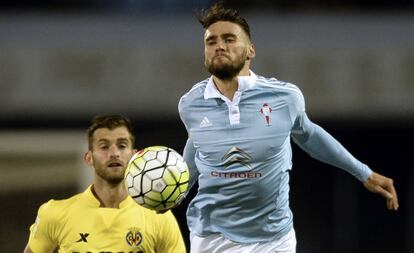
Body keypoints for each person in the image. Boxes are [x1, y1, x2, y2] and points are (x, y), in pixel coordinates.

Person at [178, 3, 399, 253]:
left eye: (229, 39)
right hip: (212, 238)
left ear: (251, 50)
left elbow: (310, 135)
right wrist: (169, 191)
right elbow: (197, 150)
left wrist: (363, 173)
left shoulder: (283, 97)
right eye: (211, 41)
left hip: (273, 239)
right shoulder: (190, 104)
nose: (220, 46)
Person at [23, 115, 187, 253]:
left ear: (134, 155)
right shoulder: (55, 213)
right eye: (104, 146)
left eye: (122, 145)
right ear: (89, 158)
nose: (114, 153)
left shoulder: (158, 218)